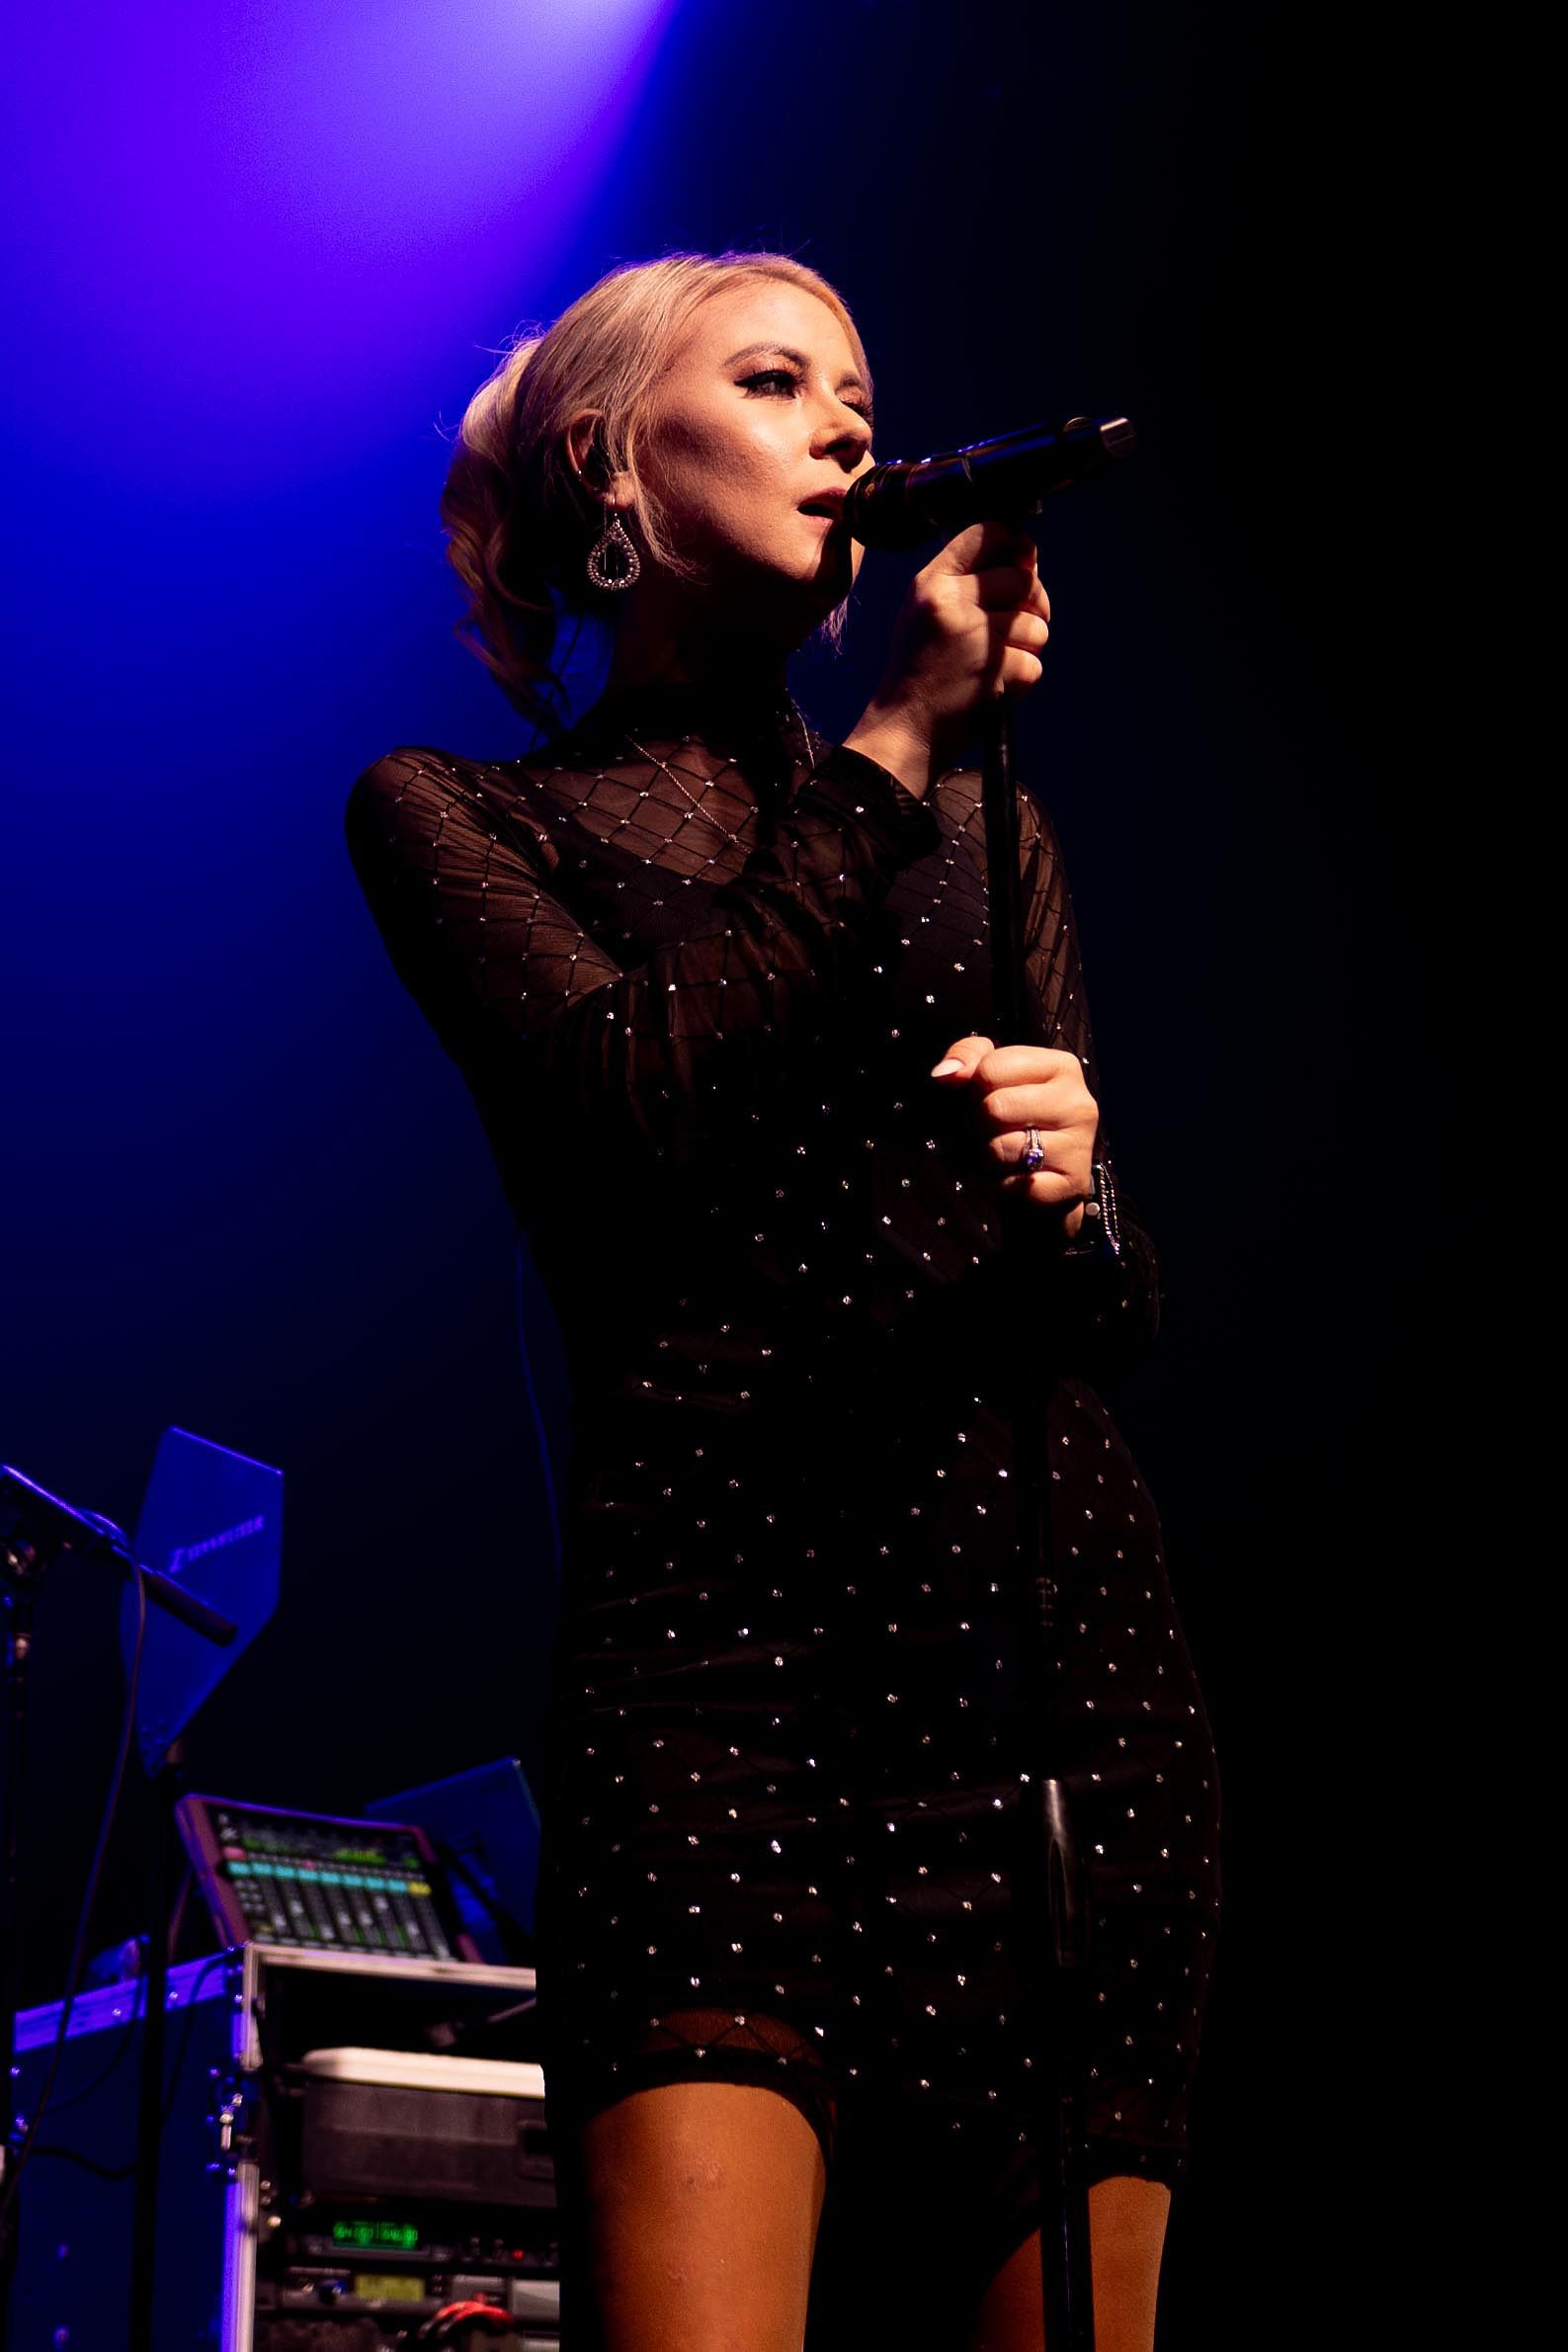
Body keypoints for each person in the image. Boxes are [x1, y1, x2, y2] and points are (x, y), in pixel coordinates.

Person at [346, 250, 1219, 2351]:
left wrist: (1083, 1194)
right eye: (771, 379)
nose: (847, 426)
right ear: (610, 464)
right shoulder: (464, 816)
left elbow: (1110, 1320)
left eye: (857, 389)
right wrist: (897, 736)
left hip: (1047, 1691)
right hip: (716, 1683)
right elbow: (635, 1104)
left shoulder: (979, 835)